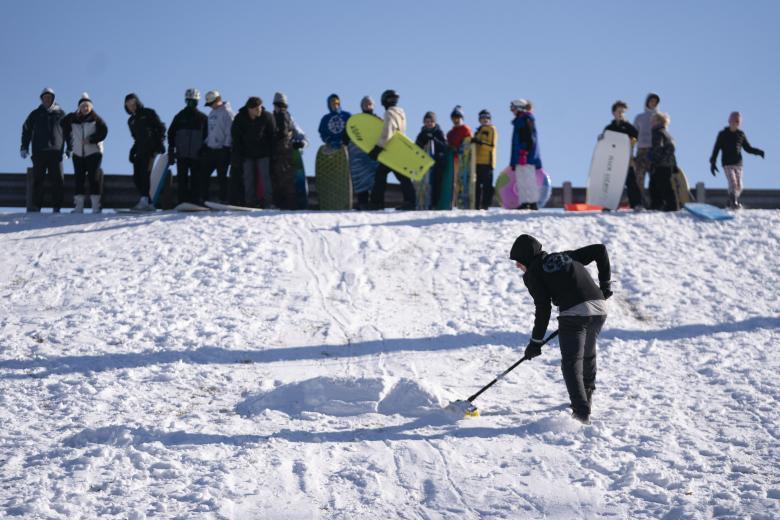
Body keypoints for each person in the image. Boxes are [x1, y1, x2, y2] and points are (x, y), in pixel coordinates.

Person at [509, 234, 612, 425]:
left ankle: (581, 413)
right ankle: (585, 399)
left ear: (526, 257)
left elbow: (543, 308)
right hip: (599, 308)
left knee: (571, 362)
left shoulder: (533, 273)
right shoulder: (565, 256)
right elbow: (600, 250)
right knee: (588, 355)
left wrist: (535, 342)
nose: (517, 266)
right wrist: (604, 286)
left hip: (574, 315)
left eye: (518, 261)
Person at [20, 87, 66, 213]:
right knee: (38, 180)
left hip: (56, 153)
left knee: (57, 180)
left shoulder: (61, 114)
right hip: (39, 152)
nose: (47, 99)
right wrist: (24, 146)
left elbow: (69, 132)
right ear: (41, 99)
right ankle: (37, 206)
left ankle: (57, 207)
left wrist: (70, 149)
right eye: (45, 97)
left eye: (49, 97)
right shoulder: (35, 114)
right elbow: (26, 130)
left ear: (53, 99)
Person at [368, 89, 416, 210]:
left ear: (384, 101)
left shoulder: (389, 113)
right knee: (398, 176)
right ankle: (410, 201)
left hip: (391, 149)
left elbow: (388, 132)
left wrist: (377, 148)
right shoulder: (401, 113)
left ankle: (377, 203)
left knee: (383, 174)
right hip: (399, 148)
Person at [61, 92, 108, 213]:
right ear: (79, 108)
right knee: (79, 178)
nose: (85, 108)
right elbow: (62, 123)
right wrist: (72, 115)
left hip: (94, 152)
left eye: (87, 106)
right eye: (82, 106)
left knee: (93, 177)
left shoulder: (96, 119)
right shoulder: (74, 120)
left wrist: (91, 140)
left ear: (91, 107)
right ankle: (79, 207)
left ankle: (96, 207)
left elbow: (104, 131)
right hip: (77, 153)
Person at [709, 112, 765, 209]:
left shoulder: (741, 134)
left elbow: (747, 148)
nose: (735, 124)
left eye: (737, 122)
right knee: (733, 182)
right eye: (733, 121)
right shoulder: (723, 134)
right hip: (727, 163)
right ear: (729, 121)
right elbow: (716, 149)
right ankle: (733, 202)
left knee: (739, 186)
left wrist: (758, 152)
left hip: (738, 164)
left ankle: (729, 202)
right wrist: (713, 163)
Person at [231, 96, 276, 208]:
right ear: (249, 109)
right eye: (256, 108)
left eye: (260, 107)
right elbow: (236, 138)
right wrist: (238, 154)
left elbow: (273, 135)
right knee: (248, 178)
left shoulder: (267, 116)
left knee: (266, 178)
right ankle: (249, 202)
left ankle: (268, 202)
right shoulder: (240, 118)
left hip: (264, 153)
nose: (259, 110)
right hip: (247, 154)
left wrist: (272, 153)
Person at [124, 93, 166, 210]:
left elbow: (161, 127)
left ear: (137, 102)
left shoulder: (148, 113)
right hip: (140, 150)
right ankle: (149, 202)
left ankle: (144, 200)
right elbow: (136, 139)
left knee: (145, 173)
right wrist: (132, 151)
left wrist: (160, 143)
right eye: (128, 104)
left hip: (151, 148)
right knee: (137, 177)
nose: (131, 106)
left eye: (133, 103)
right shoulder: (131, 121)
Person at [168, 89, 208, 204]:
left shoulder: (203, 118)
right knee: (182, 179)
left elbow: (208, 137)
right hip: (182, 154)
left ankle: (195, 201)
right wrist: (171, 150)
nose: (191, 104)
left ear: (198, 102)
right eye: (189, 101)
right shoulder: (179, 117)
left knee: (196, 179)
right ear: (186, 101)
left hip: (197, 155)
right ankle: (182, 201)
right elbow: (171, 133)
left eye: (194, 102)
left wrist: (204, 150)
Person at [601, 100, 642, 209]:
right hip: (613, 160)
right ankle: (608, 206)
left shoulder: (628, 127)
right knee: (612, 184)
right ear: (614, 113)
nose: (621, 114)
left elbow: (637, 137)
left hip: (626, 160)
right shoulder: (609, 128)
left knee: (631, 182)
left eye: (623, 112)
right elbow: (603, 142)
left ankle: (636, 204)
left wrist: (632, 142)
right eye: (619, 111)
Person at [271, 92, 307, 210]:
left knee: (287, 180)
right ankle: (279, 204)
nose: (280, 108)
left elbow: (302, 136)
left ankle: (289, 205)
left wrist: (301, 144)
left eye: (282, 105)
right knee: (276, 180)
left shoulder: (289, 119)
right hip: (275, 153)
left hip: (285, 153)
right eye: (278, 105)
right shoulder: (270, 118)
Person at [201, 90, 235, 203]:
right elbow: (211, 131)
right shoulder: (211, 113)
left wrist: (226, 146)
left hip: (222, 150)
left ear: (218, 100)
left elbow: (230, 132)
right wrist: (206, 143)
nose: (211, 106)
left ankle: (223, 199)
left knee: (222, 176)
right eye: (209, 105)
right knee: (203, 174)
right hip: (211, 149)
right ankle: (203, 198)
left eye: (212, 103)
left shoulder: (227, 112)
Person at [509, 99, 542, 210]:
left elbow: (530, 137)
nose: (512, 111)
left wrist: (526, 150)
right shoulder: (519, 120)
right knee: (521, 178)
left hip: (526, 155)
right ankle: (524, 202)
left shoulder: (527, 119)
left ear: (519, 107)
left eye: (513, 108)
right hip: (519, 155)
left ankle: (533, 202)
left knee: (529, 178)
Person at [349, 96, 380, 209]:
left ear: (373, 105)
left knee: (374, 180)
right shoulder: (356, 120)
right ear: (361, 106)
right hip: (358, 156)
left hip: (373, 154)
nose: (367, 106)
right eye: (365, 104)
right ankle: (362, 203)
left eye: (370, 104)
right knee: (360, 179)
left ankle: (374, 203)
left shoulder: (378, 120)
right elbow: (349, 135)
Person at [415, 111, 448, 209]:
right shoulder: (422, 133)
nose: (429, 123)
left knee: (436, 183)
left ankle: (434, 203)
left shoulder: (439, 132)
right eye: (426, 121)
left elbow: (444, 146)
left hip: (437, 161)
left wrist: (434, 139)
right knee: (424, 183)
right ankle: (422, 202)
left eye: (431, 121)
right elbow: (417, 146)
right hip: (424, 162)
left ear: (434, 122)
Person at [633, 93, 661, 208]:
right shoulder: (639, 117)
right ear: (647, 102)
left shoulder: (660, 117)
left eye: (655, 102)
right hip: (641, 150)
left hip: (654, 150)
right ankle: (640, 203)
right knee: (639, 177)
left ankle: (654, 203)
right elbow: (634, 134)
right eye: (651, 101)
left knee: (655, 178)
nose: (653, 103)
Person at [649, 112, 679, 211]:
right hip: (668, 164)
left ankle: (668, 205)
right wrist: (674, 166)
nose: (651, 122)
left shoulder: (658, 133)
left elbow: (658, 148)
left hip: (661, 164)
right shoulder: (667, 133)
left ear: (658, 121)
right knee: (660, 184)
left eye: (653, 120)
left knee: (660, 185)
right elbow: (671, 149)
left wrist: (654, 160)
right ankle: (660, 204)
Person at [472, 109, 497, 209]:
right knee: (477, 186)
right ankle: (476, 205)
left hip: (487, 162)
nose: (484, 120)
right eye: (482, 118)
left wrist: (480, 142)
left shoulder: (491, 129)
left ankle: (485, 205)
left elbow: (491, 146)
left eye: (487, 118)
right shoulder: (478, 131)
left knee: (487, 186)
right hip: (477, 162)